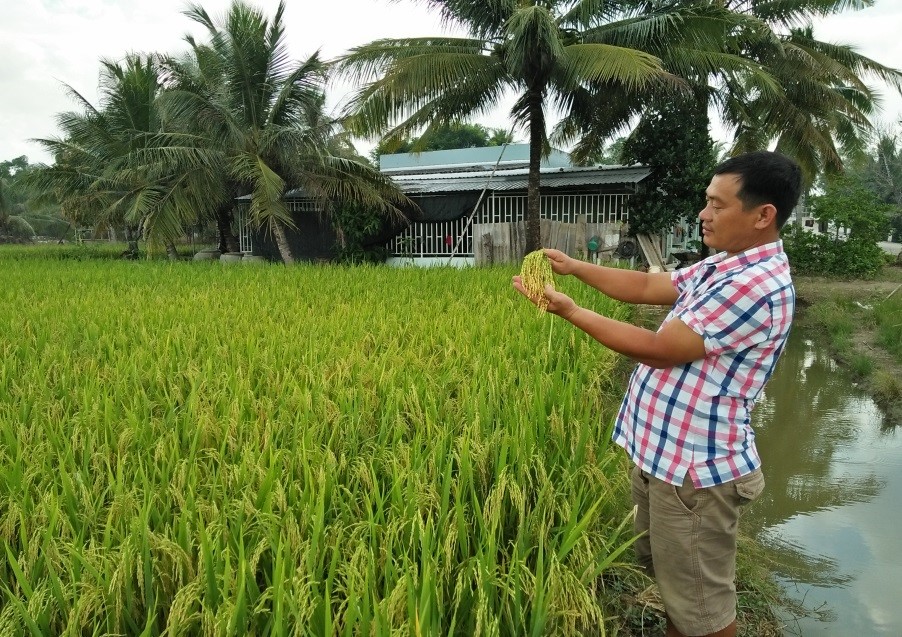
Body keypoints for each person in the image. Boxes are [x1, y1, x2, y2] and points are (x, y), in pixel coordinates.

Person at [513, 150, 803, 637]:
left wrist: (567, 310)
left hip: (695, 474)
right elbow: (650, 287)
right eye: (705, 203)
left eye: (716, 205)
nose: (702, 214)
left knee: (705, 614)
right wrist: (575, 268)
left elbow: (658, 348)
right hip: (665, 461)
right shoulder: (725, 267)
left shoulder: (754, 284)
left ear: (762, 215)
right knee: (680, 594)